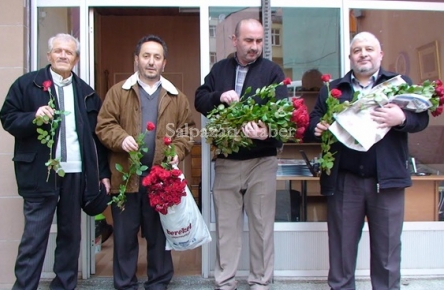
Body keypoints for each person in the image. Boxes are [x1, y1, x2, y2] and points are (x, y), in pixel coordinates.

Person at [307, 31, 429, 290]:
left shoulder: (399, 84)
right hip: (344, 182)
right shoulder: (334, 90)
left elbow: (422, 119)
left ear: (380, 55)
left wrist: (402, 119)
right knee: (341, 255)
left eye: (369, 49)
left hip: (386, 182)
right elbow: (313, 122)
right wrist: (317, 127)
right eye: (358, 50)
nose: (363, 53)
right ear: (350, 56)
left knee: (387, 256)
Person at [0, 33, 111, 290]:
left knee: (70, 235)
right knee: (34, 237)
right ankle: (25, 287)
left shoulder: (87, 93)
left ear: (76, 59)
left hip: (76, 173)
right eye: (58, 51)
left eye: (68, 52)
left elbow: (98, 139)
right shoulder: (27, 85)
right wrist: (33, 116)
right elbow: (8, 117)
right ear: (48, 55)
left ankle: (64, 285)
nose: (63, 55)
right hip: (41, 173)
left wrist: (102, 173)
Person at [195, 19, 288, 290]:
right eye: (249, 41)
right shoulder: (219, 69)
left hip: (262, 161)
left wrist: (267, 130)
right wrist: (218, 97)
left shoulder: (272, 71)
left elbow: (283, 111)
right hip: (226, 160)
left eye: (259, 41)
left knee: (261, 226)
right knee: (226, 226)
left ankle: (260, 281)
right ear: (235, 40)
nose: (255, 47)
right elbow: (200, 98)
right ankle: (225, 281)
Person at [96, 34, 195, 290]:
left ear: (164, 63)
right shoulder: (118, 92)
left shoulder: (177, 97)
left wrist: (179, 151)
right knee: (125, 237)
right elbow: (104, 125)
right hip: (125, 180)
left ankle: (158, 283)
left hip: (160, 182)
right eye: (146, 56)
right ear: (136, 60)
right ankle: (125, 284)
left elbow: (187, 131)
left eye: (157, 57)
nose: (151, 62)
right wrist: (121, 138)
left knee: (158, 236)